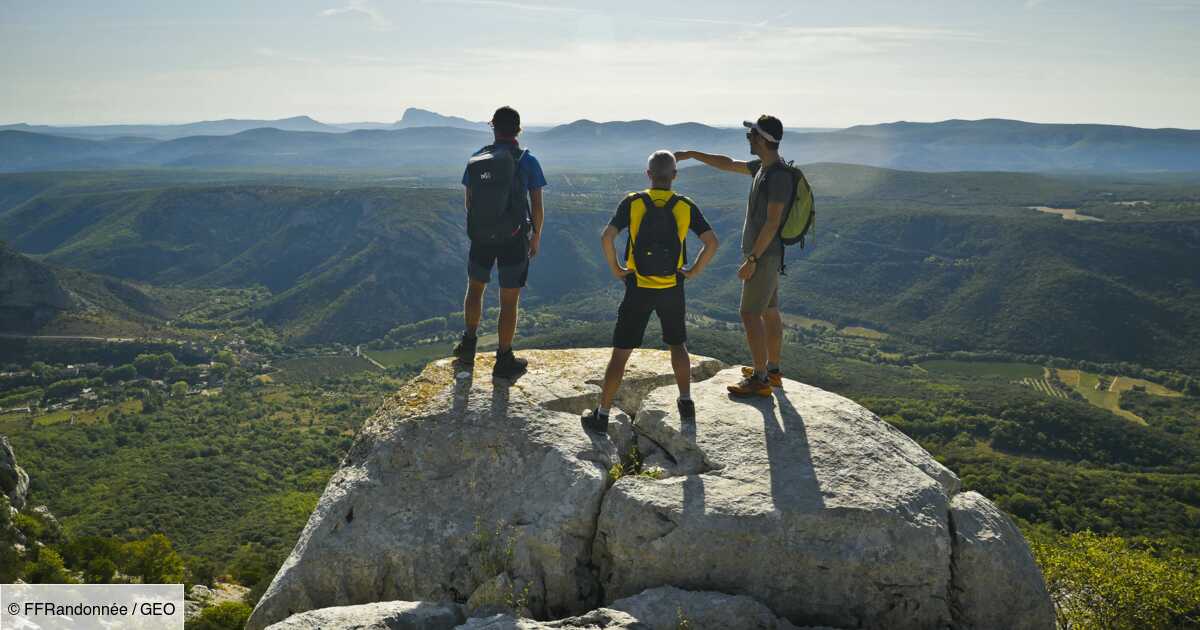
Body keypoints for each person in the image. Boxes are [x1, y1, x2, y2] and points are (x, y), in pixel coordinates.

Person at [581, 151, 719, 433]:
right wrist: (691, 271)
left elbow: (607, 237)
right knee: (677, 345)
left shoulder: (633, 202)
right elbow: (712, 242)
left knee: (621, 353)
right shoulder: (684, 205)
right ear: (675, 176)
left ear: (648, 175)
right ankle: (685, 403)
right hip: (672, 286)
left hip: (638, 287)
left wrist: (618, 268)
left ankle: (602, 415)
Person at [676, 114, 791, 397]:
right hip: (769, 255)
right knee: (769, 311)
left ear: (762, 140)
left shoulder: (776, 176)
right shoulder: (764, 169)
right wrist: (691, 154)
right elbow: (726, 163)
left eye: (751, 135)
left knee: (749, 313)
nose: (748, 139)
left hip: (763, 256)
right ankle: (772, 371)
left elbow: (773, 222)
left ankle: (761, 378)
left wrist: (752, 259)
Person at [453, 106, 546, 379]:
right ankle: (503, 358)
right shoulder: (528, 161)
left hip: (481, 237)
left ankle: (468, 345)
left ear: (493, 127)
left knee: (475, 288)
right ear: (519, 129)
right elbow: (537, 205)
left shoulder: (477, 159)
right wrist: (536, 234)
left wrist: (481, 228)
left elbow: (469, 202)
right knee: (509, 299)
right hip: (514, 238)